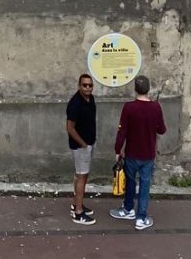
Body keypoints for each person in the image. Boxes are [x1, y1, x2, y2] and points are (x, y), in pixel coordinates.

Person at [110, 75, 166, 231]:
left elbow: (122, 132)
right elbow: (162, 129)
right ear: (148, 89)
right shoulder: (156, 107)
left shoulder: (129, 107)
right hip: (148, 154)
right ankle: (141, 217)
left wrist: (118, 150)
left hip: (131, 153)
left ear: (135, 89)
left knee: (130, 182)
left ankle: (128, 208)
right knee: (144, 185)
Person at [66, 73, 97, 223]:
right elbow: (70, 128)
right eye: (85, 85)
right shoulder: (75, 104)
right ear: (79, 86)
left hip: (89, 143)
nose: (88, 88)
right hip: (80, 147)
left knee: (82, 175)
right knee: (81, 176)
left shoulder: (91, 99)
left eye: (90, 85)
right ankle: (78, 213)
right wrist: (83, 144)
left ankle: (76, 204)